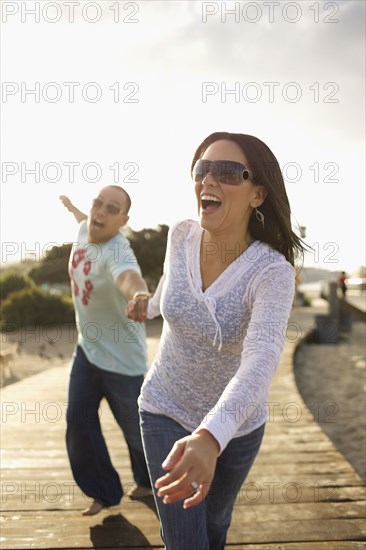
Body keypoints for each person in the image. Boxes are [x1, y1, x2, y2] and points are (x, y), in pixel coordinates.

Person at [127, 132, 306, 549]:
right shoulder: (181, 236)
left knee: (215, 525)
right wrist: (147, 305)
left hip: (236, 429)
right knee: (184, 539)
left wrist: (211, 436)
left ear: (257, 194)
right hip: (164, 407)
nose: (209, 180)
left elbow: (261, 360)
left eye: (227, 173)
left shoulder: (271, 273)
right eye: (202, 170)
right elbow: (171, 290)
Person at [60, 186, 152, 516]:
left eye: (111, 209)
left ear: (123, 220)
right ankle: (103, 492)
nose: (100, 211)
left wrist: (139, 296)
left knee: (136, 432)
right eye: (98, 203)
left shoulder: (119, 251)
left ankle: (150, 481)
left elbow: (129, 278)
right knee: (79, 422)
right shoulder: (86, 227)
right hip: (87, 349)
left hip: (123, 361)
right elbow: (84, 218)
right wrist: (72, 207)